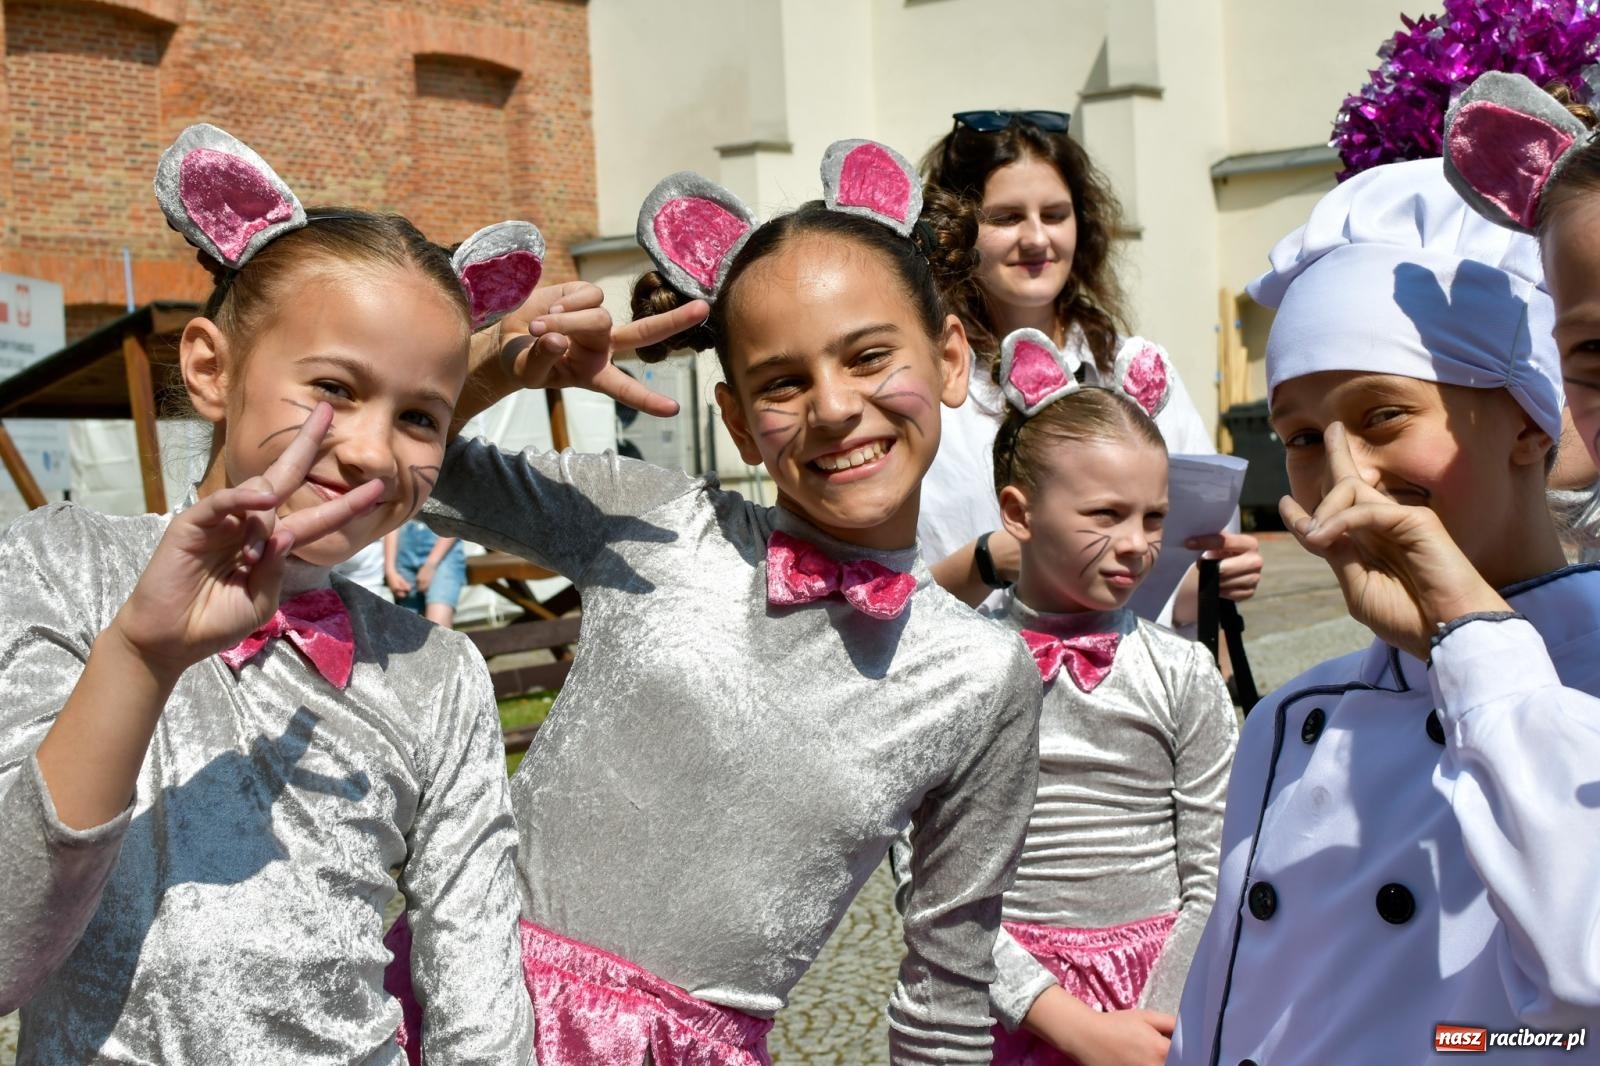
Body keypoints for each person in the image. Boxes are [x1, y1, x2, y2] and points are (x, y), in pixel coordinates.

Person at [398, 139, 1045, 1065]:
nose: (832, 407)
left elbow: (947, 985)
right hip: (459, 1010)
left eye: (868, 356)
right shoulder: (657, 521)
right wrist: (500, 364)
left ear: (948, 359)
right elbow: (405, 466)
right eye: (783, 381)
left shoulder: (983, 677)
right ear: (737, 416)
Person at [0, 124, 549, 1063]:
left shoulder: (433, 670)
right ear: (212, 369)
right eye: (333, 388)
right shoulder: (63, 566)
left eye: (420, 416)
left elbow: (477, 987)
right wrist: (139, 658)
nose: (375, 450)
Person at [1168, 150, 1600, 1065]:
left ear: (1530, 420)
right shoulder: (1289, 717)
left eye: (1383, 416)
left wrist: (1471, 639)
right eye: (1300, 438)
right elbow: (1223, 1007)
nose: (1344, 475)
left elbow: (1574, 996)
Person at [892, 328, 1235, 1066]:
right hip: (1002, 1002)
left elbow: (1213, 872)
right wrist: (1064, 1021)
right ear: (1018, 513)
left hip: (1158, 1011)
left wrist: (1156, 1021)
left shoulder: (1184, 673)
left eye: (1153, 517)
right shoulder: (960, 669)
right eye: (1104, 515)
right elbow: (927, 878)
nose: (1137, 544)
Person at [913, 110, 1262, 620]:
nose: (1036, 239)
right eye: (1007, 218)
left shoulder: (1135, 370)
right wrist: (986, 562)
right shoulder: (927, 386)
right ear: (955, 232)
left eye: (1054, 215)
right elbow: (893, 600)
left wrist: (1214, 579)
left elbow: (1178, 592)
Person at [385, 522, 467, 627]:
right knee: (408, 629)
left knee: (438, 629)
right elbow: (393, 515)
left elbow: (455, 521)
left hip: (444, 551)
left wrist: (431, 564)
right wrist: (390, 569)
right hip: (404, 550)